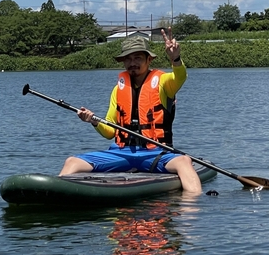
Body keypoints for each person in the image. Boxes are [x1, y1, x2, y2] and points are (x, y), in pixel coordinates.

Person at [59, 30, 202, 194]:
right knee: (72, 162)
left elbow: (180, 77)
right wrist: (93, 121)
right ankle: (56, 196)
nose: (132, 63)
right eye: (128, 58)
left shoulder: (163, 82)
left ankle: (192, 203)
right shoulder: (118, 89)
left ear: (149, 59)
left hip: (155, 153)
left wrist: (175, 59)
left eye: (137, 58)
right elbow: (110, 132)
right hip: (121, 153)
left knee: (183, 161)